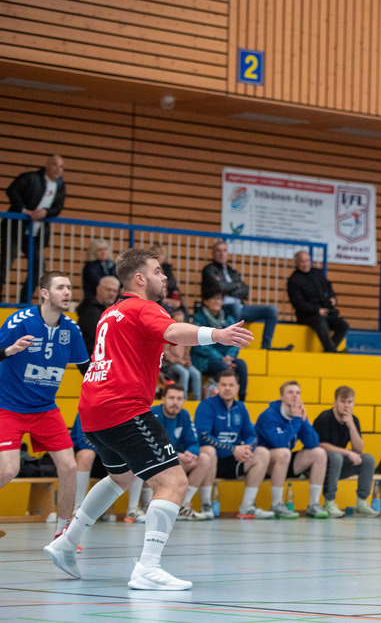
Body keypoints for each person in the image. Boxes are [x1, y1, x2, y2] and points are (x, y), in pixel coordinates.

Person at [43, 248, 252, 590]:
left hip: (92, 408)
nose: (164, 276)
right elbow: (173, 332)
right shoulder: (143, 307)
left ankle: (66, 542)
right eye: (157, 271)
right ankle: (147, 568)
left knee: (120, 477)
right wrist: (216, 334)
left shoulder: (111, 313)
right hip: (123, 407)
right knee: (174, 483)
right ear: (139, 279)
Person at [0, 271, 88, 540]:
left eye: (69, 287)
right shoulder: (20, 321)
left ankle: (63, 534)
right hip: (9, 407)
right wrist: (9, 351)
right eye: (60, 287)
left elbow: (86, 368)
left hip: (45, 409)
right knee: (8, 469)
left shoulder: (71, 329)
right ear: (45, 293)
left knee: (70, 466)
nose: (67, 292)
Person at [194, 369, 272, 520]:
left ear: (237, 387)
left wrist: (247, 448)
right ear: (217, 386)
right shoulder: (206, 406)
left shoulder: (240, 408)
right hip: (210, 462)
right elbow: (203, 437)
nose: (227, 388)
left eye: (231, 385)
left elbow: (251, 434)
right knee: (208, 451)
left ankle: (247, 507)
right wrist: (233, 448)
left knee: (262, 453)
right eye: (223, 385)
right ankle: (206, 506)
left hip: (234, 460)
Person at [256, 381, 329, 519]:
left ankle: (314, 505)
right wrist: (296, 420)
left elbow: (313, 443)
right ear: (281, 397)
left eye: (298, 393)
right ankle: (277, 504)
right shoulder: (269, 415)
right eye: (290, 392)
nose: (295, 396)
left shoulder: (297, 416)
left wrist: (304, 420)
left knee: (319, 453)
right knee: (284, 452)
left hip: (285, 461)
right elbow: (279, 443)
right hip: (264, 463)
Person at [1, 155, 66, 301]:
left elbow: (58, 207)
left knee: (38, 266)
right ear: (47, 165)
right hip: (15, 228)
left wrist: (46, 212)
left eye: (61, 166)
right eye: (55, 165)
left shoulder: (60, 185)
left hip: (36, 232)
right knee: (5, 263)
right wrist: (24, 211)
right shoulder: (31, 177)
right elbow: (12, 190)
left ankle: (24, 300)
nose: (58, 169)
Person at [313, 385, 379, 518]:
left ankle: (361, 504)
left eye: (350, 402)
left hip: (338, 466)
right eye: (342, 402)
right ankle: (329, 502)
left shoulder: (353, 420)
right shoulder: (325, 417)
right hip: (320, 465)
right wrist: (348, 453)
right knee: (336, 456)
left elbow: (359, 448)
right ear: (335, 402)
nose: (346, 406)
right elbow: (320, 445)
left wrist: (351, 425)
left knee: (367, 459)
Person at [201, 241, 281, 350]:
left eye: (224, 250)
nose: (222, 253)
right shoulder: (209, 270)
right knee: (235, 308)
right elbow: (220, 288)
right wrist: (235, 286)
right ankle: (234, 345)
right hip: (221, 308)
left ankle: (266, 347)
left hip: (240, 307)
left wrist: (228, 287)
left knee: (272, 310)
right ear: (213, 254)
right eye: (218, 250)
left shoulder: (233, 271)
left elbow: (245, 291)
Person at [152, 382, 212, 520]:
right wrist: (177, 456)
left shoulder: (184, 415)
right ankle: (146, 505)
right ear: (163, 399)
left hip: (176, 461)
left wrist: (190, 454)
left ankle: (183, 505)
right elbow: (153, 445)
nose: (175, 402)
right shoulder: (154, 414)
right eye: (172, 398)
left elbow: (193, 442)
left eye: (179, 399)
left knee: (204, 458)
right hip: (156, 461)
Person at [287, 250, 348, 353]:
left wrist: (333, 298)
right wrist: (316, 310)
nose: (305, 264)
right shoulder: (293, 280)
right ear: (296, 263)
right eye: (302, 262)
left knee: (343, 325)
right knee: (320, 321)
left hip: (326, 312)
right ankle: (331, 350)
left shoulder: (318, 273)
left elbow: (329, 288)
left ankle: (329, 350)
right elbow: (297, 303)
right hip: (307, 316)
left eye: (307, 261)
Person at [192, 290, 249, 400]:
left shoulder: (228, 319)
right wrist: (221, 358)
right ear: (205, 301)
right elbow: (199, 344)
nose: (217, 301)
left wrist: (229, 357)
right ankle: (222, 399)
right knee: (222, 367)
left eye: (219, 299)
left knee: (241, 364)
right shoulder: (198, 319)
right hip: (205, 359)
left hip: (225, 359)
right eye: (214, 298)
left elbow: (236, 341)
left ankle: (242, 400)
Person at [75, 275, 120, 375]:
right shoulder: (90, 311)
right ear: (98, 289)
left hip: (102, 361)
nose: (111, 294)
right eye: (108, 290)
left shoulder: (109, 311)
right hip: (94, 361)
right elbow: (98, 336)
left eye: (114, 291)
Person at [160, 308, 202, 400]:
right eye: (177, 321)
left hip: (182, 363)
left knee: (196, 373)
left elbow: (187, 352)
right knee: (184, 373)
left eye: (181, 321)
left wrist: (187, 362)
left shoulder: (184, 336)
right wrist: (179, 362)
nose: (179, 323)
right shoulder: (168, 336)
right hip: (170, 364)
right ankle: (183, 398)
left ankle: (197, 399)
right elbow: (166, 354)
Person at [150, 244, 181, 313]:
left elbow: (174, 287)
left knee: (183, 311)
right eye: (157, 254)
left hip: (169, 301)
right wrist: (162, 301)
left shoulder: (167, 269)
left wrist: (177, 300)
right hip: (156, 302)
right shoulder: (148, 270)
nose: (160, 256)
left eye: (162, 254)